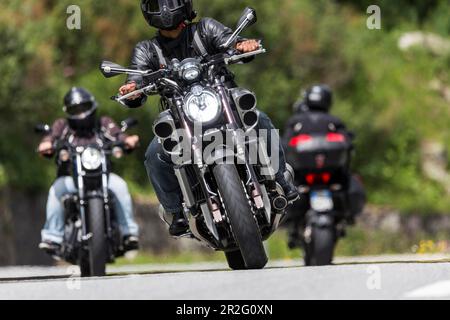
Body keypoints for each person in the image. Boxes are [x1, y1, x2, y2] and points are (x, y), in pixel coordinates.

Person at [118, 0, 299, 236]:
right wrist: (132, 86)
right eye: (158, 3)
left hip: (223, 106)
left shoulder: (205, 29)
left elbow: (230, 42)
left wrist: (243, 45)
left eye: (170, 2)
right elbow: (137, 76)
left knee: (259, 120)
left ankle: (279, 180)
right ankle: (176, 212)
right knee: (155, 154)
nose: (164, 9)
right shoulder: (148, 49)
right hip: (183, 117)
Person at [37, 87, 140, 254]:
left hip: (103, 178)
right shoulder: (63, 126)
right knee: (57, 188)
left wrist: (128, 140)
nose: (81, 113)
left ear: (92, 106)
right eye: (75, 110)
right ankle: (52, 237)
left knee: (120, 185)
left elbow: (117, 135)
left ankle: (129, 233)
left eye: (84, 108)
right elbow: (52, 137)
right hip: (73, 180)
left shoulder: (103, 123)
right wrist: (46, 143)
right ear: (68, 111)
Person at [283, 84, 366, 247]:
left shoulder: (296, 121)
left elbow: (284, 145)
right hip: (331, 177)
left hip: (303, 178)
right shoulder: (334, 121)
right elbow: (349, 143)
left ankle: (294, 227)